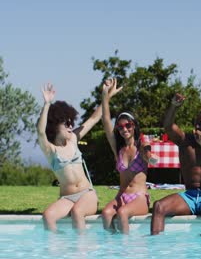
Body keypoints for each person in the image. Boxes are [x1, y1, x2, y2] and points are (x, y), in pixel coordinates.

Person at [150, 93, 201, 235]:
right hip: (189, 196)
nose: (198, 127)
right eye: (197, 123)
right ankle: (156, 250)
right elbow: (168, 126)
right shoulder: (185, 141)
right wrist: (174, 107)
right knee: (158, 206)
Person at [37, 82, 103, 233]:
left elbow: (94, 119)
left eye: (71, 122)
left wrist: (106, 96)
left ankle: (81, 252)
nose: (70, 126)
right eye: (66, 123)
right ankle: (58, 249)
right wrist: (47, 104)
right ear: (54, 125)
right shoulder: (50, 150)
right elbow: (40, 132)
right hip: (67, 198)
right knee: (48, 216)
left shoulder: (73, 139)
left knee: (77, 212)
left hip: (87, 194)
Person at [101, 78, 156, 234]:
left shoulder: (142, 145)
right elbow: (105, 121)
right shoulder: (118, 148)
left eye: (128, 125)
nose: (124, 129)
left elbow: (150, 156)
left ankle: (125, 249)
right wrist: (105, 94)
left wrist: (151, 158)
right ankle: (111, 248)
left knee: (122, 213)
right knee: (105, 214)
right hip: (121, 195)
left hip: (139, 198)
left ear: (134, 126)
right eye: (120, 126)